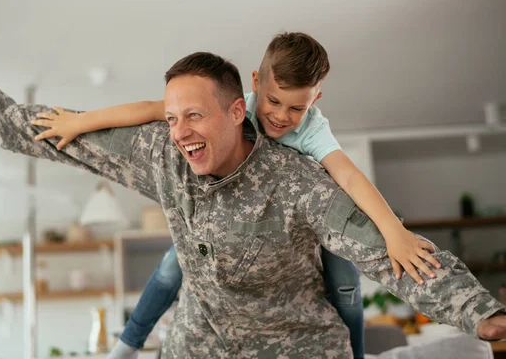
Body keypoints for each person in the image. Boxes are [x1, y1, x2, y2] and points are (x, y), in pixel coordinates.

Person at [0, 52, 506, 358]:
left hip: (296, 345)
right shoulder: (164, 154)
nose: (178, 131)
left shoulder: (297, 181)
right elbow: (67, 135)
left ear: (235, 112)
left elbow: (387, 252)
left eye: (193, 115)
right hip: (198, 343)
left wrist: (481, 314)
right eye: (171, 117)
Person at [28, 32, 440, 358]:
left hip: (309, 221)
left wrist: (393, 231)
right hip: (228, 220)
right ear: (257, 84)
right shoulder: (234, 106)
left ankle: (356, 354)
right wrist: (79, 122)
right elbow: (148, 108)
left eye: (295, 109)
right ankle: (128, 343)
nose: (280, 116)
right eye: (273, 101)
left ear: (315, 100)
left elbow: (349, 179)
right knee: (172, 268)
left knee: (346, 286)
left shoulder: (313, 129)